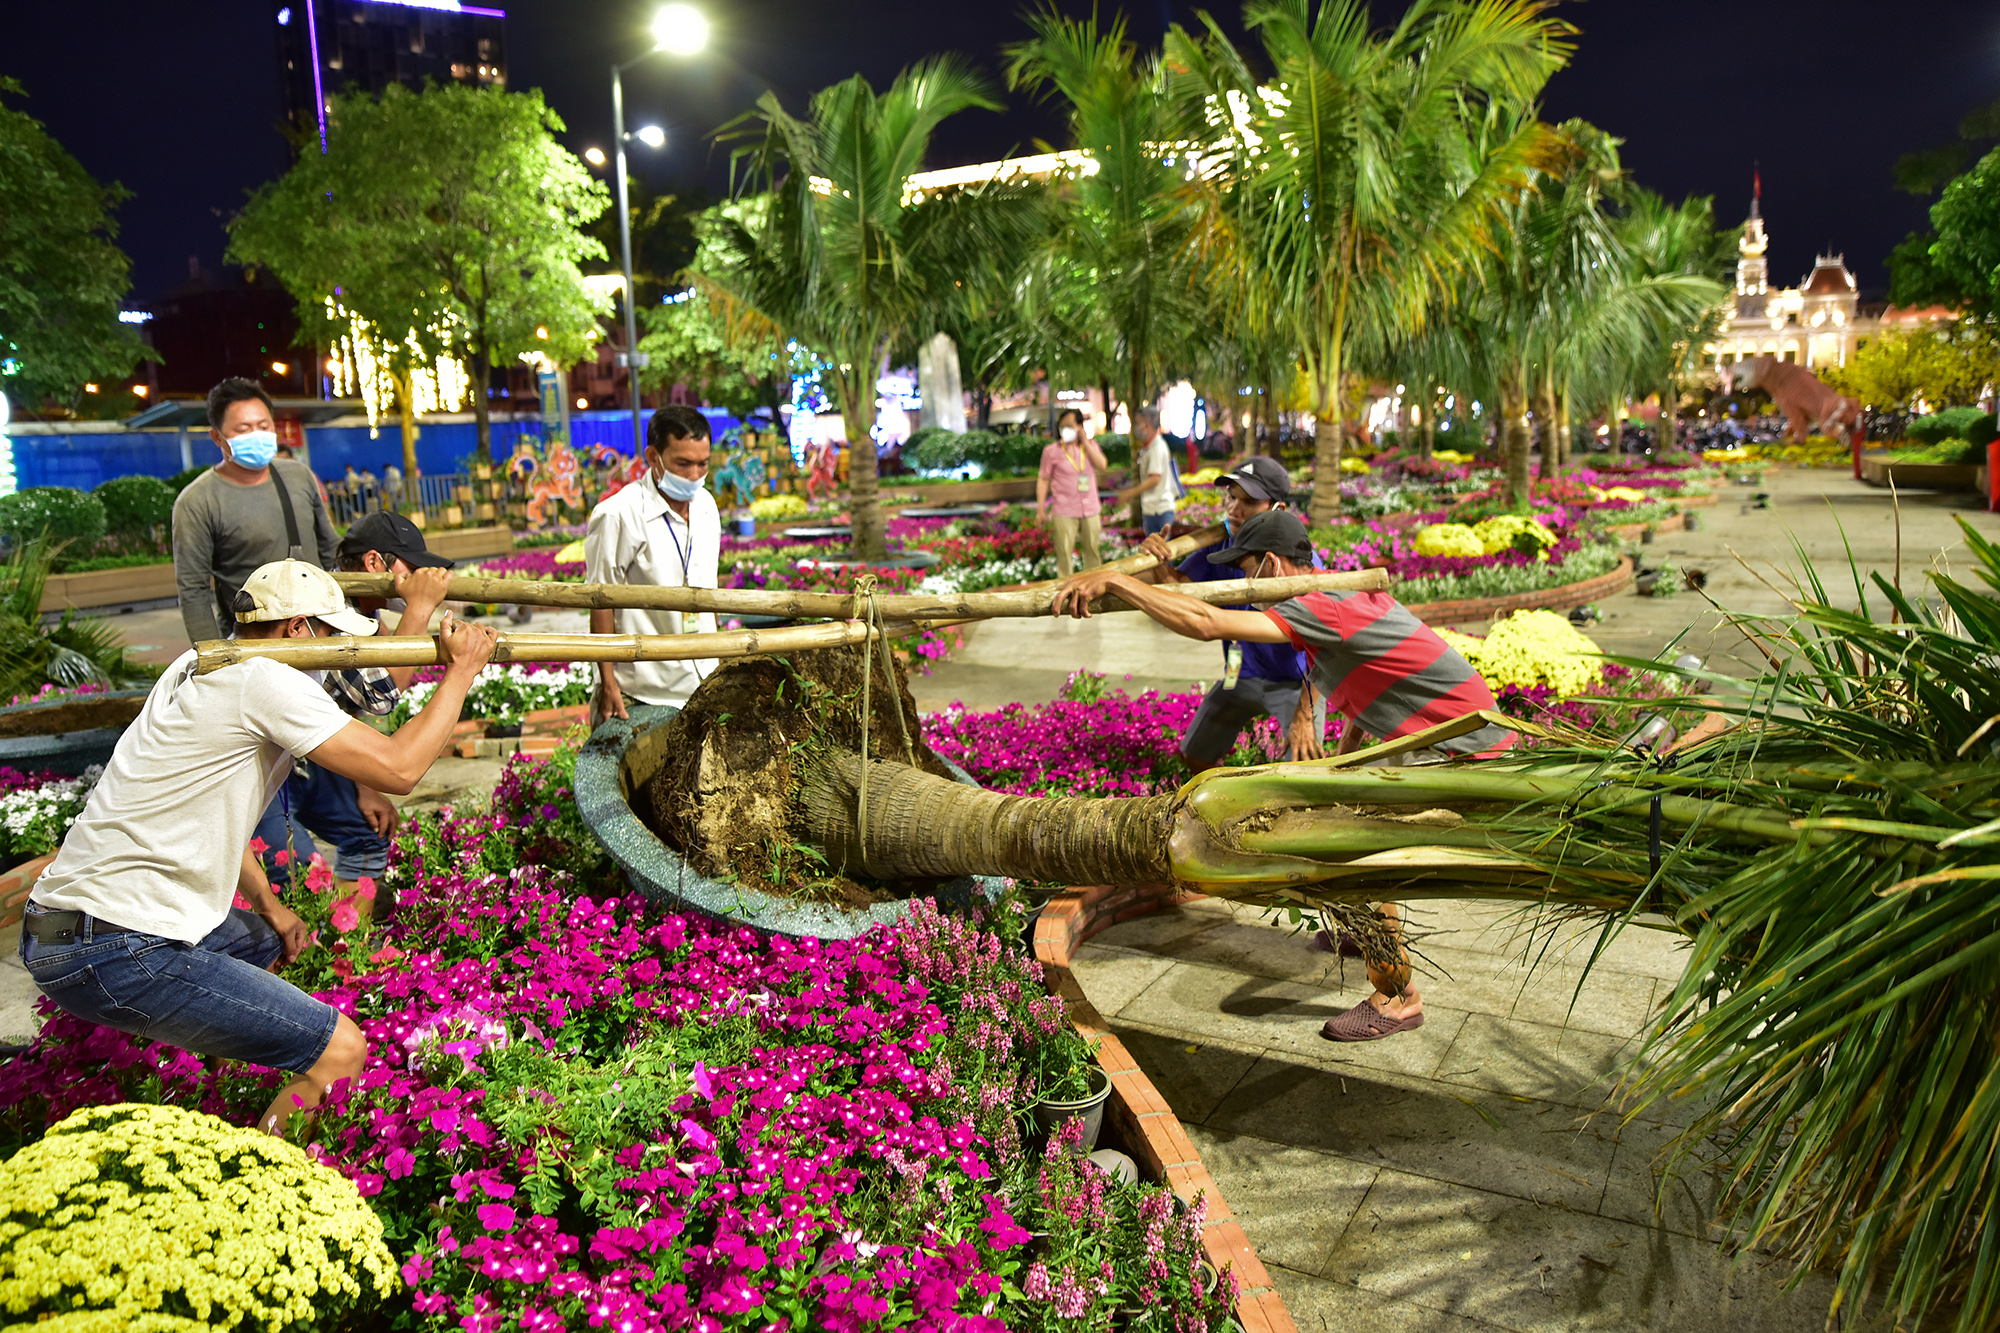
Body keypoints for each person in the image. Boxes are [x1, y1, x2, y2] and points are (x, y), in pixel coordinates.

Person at [19, 560, 499, 1135]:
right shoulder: (266, 680)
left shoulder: (196, 665)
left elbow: (218, 816)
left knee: (263, 938)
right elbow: (399, 768)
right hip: (115, 945)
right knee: (342, 1053)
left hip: (56, 928)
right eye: (333, 636)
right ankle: (264, 1176)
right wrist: (461, 672)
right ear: (298, 629)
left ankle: (225, 1087)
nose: (339, 653)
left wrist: (272, 907)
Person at [1051, 511, 1512, 1044]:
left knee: (1352, 857)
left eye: (1247, 571)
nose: (1245, 586)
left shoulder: (1322, 606)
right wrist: (1341, 766)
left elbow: (1206, 623)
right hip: (1443, 736)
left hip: (1460, 749)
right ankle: (1361, 931)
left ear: (1271, 564)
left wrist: (1117, 582)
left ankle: (1398, 997)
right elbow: (1373, 685)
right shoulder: (1336, 597)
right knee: (1334, 823)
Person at [1130, 457, 1324, 767]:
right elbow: (1179, 589)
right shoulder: (1219, 545)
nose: (1235, 509)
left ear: (1278, 509)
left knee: (1302, 768)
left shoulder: (1296, 562)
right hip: (1241, 675)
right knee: (1194, 754)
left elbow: (1325, 646)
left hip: (1295, 683)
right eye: (1231, 497)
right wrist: (1157, 562)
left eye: (1249, 502)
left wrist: (1305, 712)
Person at [173, 379, 339, 645]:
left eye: (263, 426)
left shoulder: (298, 476)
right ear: (217, 437)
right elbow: (194, 591)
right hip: (253, 642)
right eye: (243, 429)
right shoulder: (197, 501)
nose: (257, 435)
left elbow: (330, 548)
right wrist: (214, 655)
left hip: (319, 630)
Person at [586, 404, 720, 722]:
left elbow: (710, 588)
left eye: (702, 464)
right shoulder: (618, 514)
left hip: (702, 683)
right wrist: (607, 685)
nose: (694, 475)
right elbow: (600, 602)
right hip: (641, 692)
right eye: (682, 464)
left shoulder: (706, 506)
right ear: (653, 457)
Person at [1037, 407, 1108, 578]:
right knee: (1064, 554)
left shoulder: (1090, 446)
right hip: (1064, 509)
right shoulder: (1051, 451)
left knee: (1092, 551)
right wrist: (1041, 509)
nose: (1065, 430)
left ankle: (1093, 585)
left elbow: (1102, 465)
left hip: (1090, 508)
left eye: (1069, 426)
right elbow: (1043, 479)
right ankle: (1066, 588)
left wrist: (1086, 442)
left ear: (1080, 427)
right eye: (1062, 426)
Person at [1115, 407, 1177, 537]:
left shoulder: (1157, 448)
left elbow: (1154, 479)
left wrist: (1130, 493)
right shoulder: (1150, 447)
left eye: (1138, 423)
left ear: (1147, 424)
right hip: (1153, 509)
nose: (1136, 428)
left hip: (1159, 510)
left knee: (1159, 547)